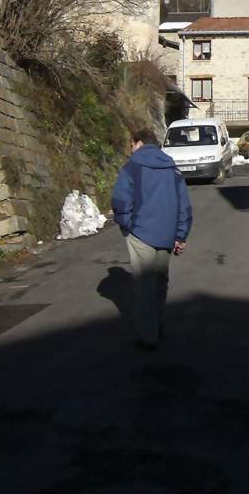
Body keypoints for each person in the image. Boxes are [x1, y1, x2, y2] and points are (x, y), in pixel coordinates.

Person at [111, 128, 193, 350]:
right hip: (167, 236)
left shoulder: (132, 167)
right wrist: (180, 235)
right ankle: (158, 328)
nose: (130, 149)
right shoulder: (172, 168)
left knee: (144, 286)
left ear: (138, 143)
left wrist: (128, 226)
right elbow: (184, 206)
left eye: (131, 144)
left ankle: (148, 338)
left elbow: (120, 200)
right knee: (160, 283)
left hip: (141, 234)